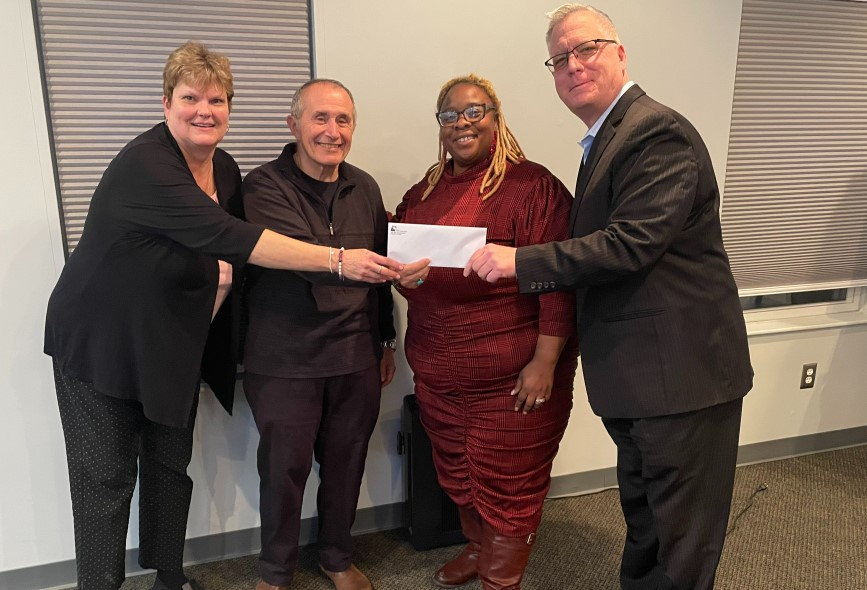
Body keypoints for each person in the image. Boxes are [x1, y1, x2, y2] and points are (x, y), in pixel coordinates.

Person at [44, 43, 401, 590]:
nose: (204, 111)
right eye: (191, 98)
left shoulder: (226, 169)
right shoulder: (146, 164)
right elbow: (233, 238)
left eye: (217, 100)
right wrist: (338, 261)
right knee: (105, 481)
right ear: (166, 103)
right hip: (101, 345)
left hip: (171, 344)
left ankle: (170, 580)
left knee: (169, 468)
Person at [465, 5, 754, 589]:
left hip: (682, 378)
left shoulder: (656, 131)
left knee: (680, 542)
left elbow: (631, 243)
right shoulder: (606, 138)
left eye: (586, 48)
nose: (573, 65)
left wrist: (520, 261)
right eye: (559, 58)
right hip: (639, 377)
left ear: (620, 53)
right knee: (648, 524)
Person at [393, 73, 579, 590]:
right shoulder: (423, 194)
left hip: (512, 379)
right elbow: (412, 276)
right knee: (460, 477)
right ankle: (478, 549)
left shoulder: (532, 188)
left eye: (475, 111)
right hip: (439, 377)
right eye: (450, 115)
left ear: (496, 118)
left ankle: (501, 580)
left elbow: (559, 282)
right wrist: (404, 279)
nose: (462, 123)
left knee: (510, 488)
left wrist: (545, 362)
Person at [240, 79, 403, 590]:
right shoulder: (262, 187)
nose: (332, 131)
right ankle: (275, 571)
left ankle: (336, 557)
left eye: (343, 120)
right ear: (294, 125)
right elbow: (301, 258)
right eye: (320, 118)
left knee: (347, 464)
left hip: (355, 355)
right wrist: (346, 262)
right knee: (282, 472)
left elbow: (380, 274)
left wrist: (385, 340)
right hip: (284, 360)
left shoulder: (365, 187)